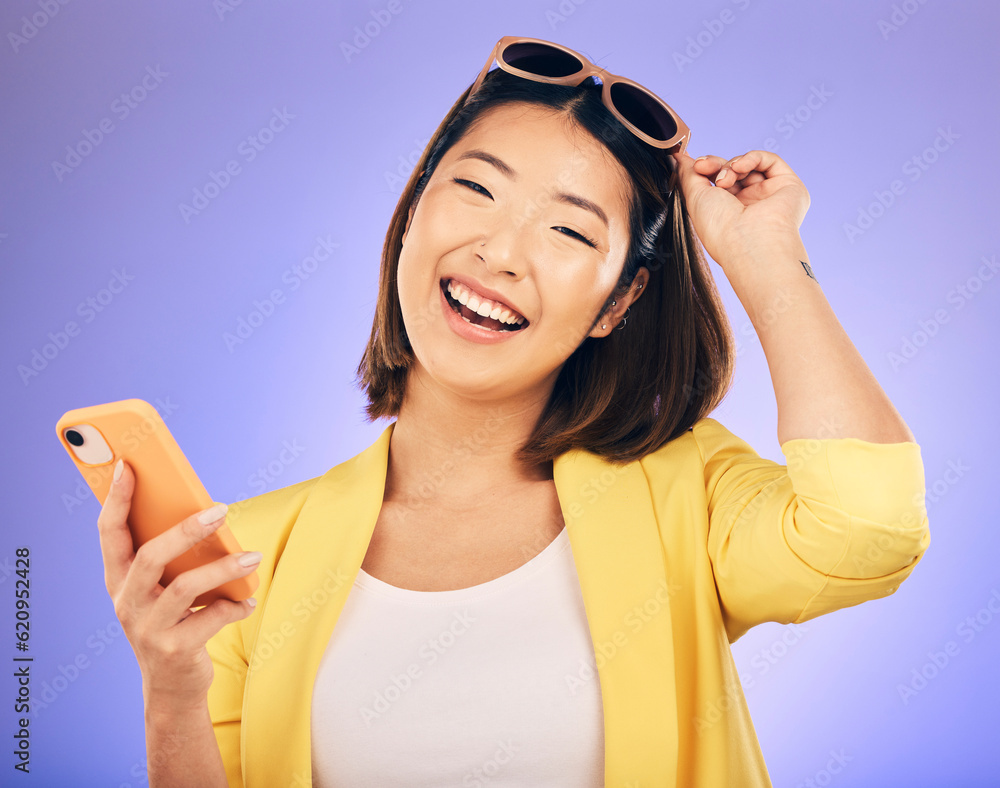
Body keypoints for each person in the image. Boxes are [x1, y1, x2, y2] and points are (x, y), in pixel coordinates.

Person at [97, 36, 931, 787]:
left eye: (570, 234)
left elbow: (868, 531)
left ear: (618, 302)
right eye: (474, 190)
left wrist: (767, 259)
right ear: (414, 208)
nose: (501, 253)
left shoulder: (685, 487)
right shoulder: (252, 553)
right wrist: (170, 694)